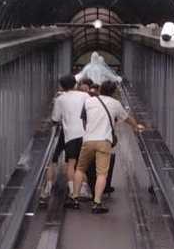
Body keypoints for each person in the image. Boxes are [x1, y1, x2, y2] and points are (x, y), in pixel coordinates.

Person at [77, 80, 139, 213]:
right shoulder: (115, 104)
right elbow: (127, 118)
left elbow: (84, 120)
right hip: (104, 141)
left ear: (100, 89)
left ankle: (73, 198)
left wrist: (87, 131)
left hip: (88, 140)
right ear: (113, 92)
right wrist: (136, 126)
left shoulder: (89, 101)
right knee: (102, 174)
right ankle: (97, 203)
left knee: (80, 169)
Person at [46, 75, 87, 209]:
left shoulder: (60, 99)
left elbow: (55, 118)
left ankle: (72, 190)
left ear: (62, 86)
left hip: (70, 134)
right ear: (75, 84)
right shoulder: (84, 96)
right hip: (86, 133)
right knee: (82, 164)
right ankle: (83, 189)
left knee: (71, 163)